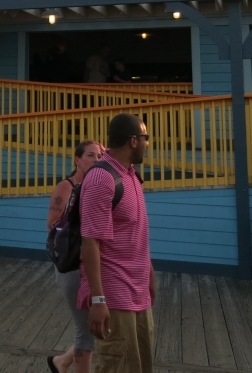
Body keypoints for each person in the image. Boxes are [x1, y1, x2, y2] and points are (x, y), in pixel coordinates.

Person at [79, 114, 155, 373]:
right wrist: (98, 300)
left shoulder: (131, 175)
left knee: (141, 364)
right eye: (146, 138)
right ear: (134, 141)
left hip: (138, 290)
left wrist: (150, 275)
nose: (147, 144)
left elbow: (135, 233)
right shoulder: (102, 179)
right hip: (114, 295)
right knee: (117, 365)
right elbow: (90, 242)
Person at [46, 141, 104, 373]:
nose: (96, 160)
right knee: (85, 332)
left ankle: (62, 362)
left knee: (93, 329)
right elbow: (52, 225)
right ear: (77, 160)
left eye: (100, 156)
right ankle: (66, 363)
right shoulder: (67, 187)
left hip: (93, 265)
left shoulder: (98, 187)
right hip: (71, 265)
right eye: (90, 155)